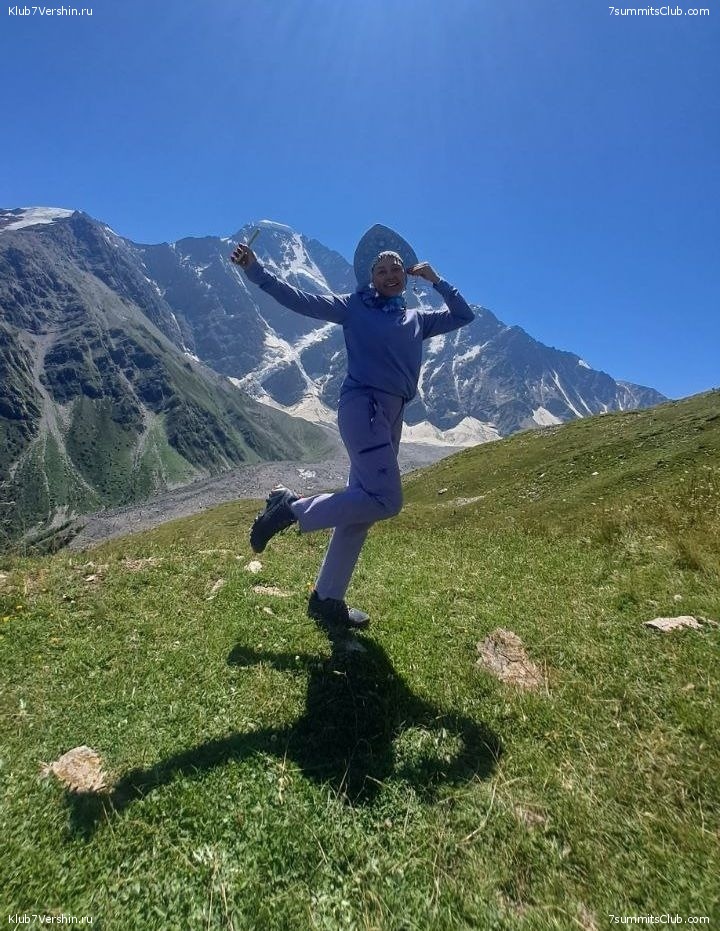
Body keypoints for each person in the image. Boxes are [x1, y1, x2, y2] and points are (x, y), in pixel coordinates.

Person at [230, 236, 475, 639]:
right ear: (370, 278)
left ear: (407, 275)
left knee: (361, 511)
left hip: (391, 415)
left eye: (397, 268)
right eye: (381, 270)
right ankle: (290, 508)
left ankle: (326, 598)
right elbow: (300, 300)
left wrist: (437, 280)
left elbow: (464, 314)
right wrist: (255, 270)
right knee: (387, 501)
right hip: (365, 408)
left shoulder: (417, 319)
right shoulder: (354, 306)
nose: (390, 274)